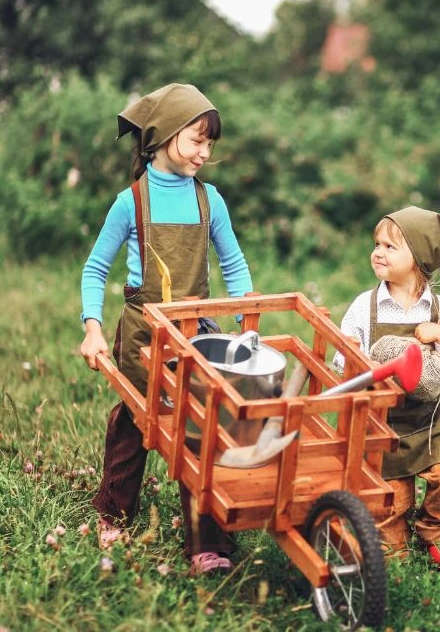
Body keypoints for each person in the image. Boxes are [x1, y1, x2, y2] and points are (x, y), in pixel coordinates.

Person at [78, 83, 253, 575]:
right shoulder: (130, 202)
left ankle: (206, 544)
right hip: (141, 335)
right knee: (137, 422)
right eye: (197, 140)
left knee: (198, 429)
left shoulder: (209, 200)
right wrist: (93, 329)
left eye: (210, 143)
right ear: (166, 136)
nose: (205, 152)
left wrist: (246, 321)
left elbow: (234, 265)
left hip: (195, 332)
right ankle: (113, 513)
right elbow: (95, 270)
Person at [333, 206, 440, 569]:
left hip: (433, 414)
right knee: (389, 501)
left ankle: (437, 532)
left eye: (390, 247)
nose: (378, 252)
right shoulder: (364, 307)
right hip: (384, 417)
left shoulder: (438, 308)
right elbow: (342, 361)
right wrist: (367, 365)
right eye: (376, 244)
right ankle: (395, 536)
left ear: (419, 258)